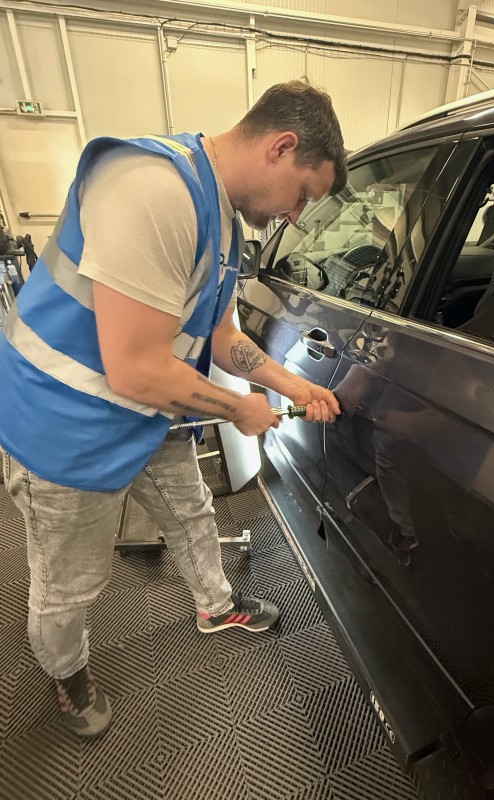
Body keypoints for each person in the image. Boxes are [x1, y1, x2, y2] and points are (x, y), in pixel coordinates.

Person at [0, 79, 347, 738]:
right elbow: (134, 366)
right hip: (63, 425)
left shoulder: (222, 222)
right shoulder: (154, 186)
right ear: (281, 146)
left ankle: (214, 606)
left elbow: (224, 340)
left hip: (145, 412)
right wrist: (239, 410)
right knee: (69, 580)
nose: (297, 216)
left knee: (190, 512)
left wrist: (288, 385)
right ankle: (66, 672)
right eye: (304, 194)